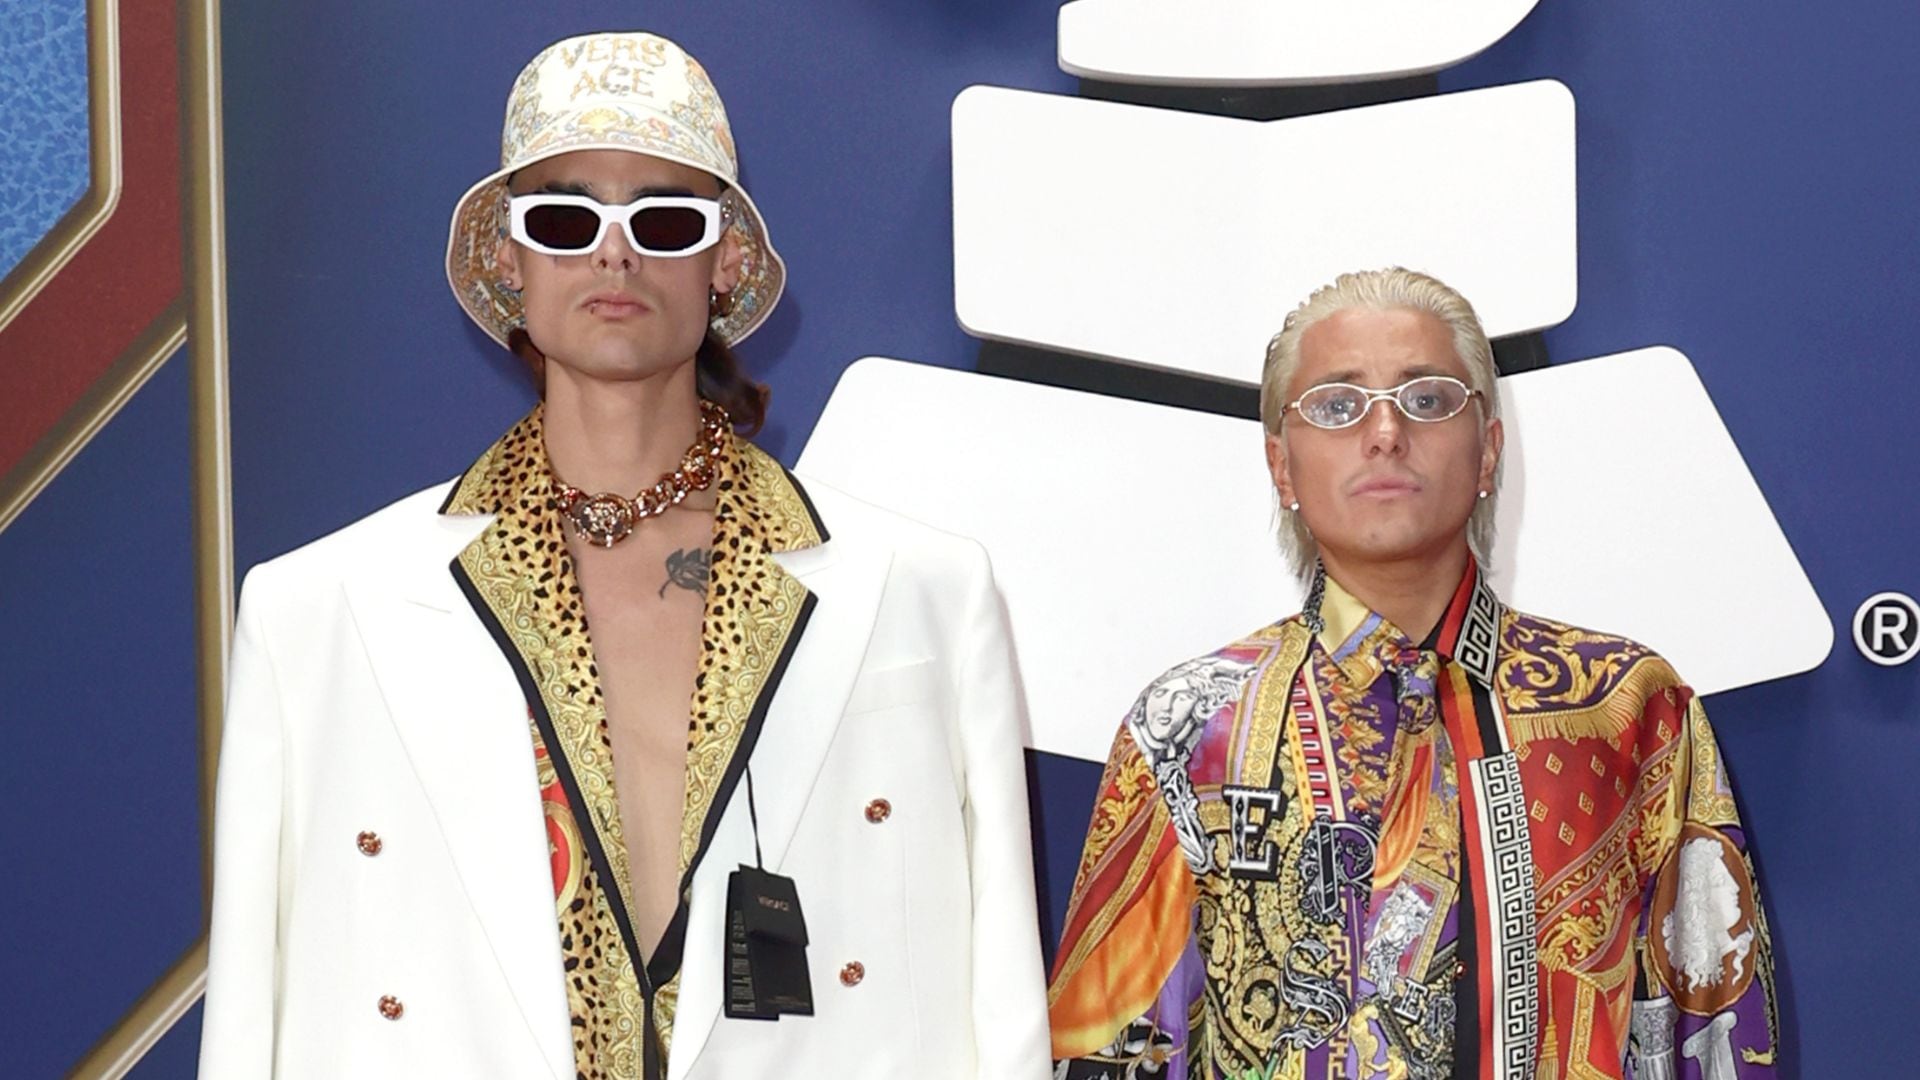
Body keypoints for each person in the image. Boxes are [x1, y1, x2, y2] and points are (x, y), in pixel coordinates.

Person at [198, 30, 1049, 1080]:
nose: (615, 253)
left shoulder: (923, 587)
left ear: (724, 258)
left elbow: (1002, 990)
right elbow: (249, 1019)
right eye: (564, 216)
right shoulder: (321, 608)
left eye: (663, 217)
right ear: (509, 258)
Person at [1045, 268, 1779, 1079]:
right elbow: (1110, 1044)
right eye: (1336, 405)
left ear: (1489, 449)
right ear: (1281, 467)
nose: (1386, 432)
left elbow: (1712, 1024)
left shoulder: (1627, 708)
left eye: (1428, 398)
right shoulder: (1187, 728)